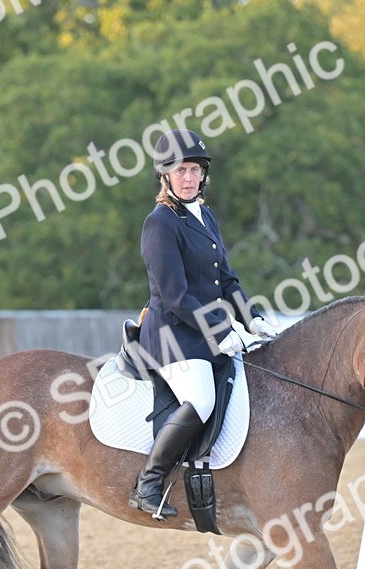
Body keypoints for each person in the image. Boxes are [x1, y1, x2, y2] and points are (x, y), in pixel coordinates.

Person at [130, 129, 278, 518]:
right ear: (166, 176)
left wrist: (253, 319)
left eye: (195, 170)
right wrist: (221, 330)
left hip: (203, 332)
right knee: (201, 398)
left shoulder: (205, 215)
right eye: (181, 171)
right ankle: (149, 481)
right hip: (171, 336)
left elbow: (226, 279)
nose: (190, 178)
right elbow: (176, 295)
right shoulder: (160, 223)